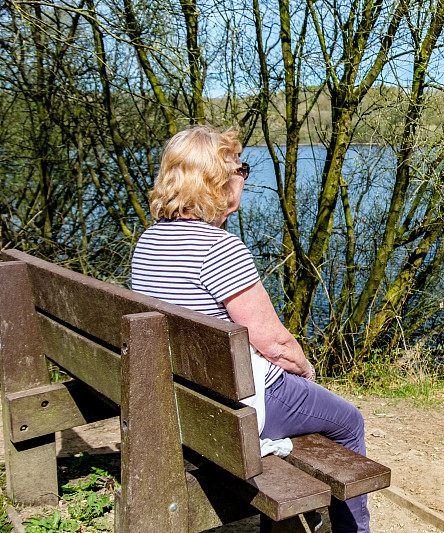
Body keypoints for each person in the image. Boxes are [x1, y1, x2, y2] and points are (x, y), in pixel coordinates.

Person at [130, 125, 370, 533]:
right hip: (238, 404)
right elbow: (274, 343)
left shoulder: (149, 242)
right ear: (216, 182)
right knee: (349, 420)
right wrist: (306, 370)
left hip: (186, 399)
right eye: (240, 169)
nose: (243, 177)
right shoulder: (219, 248)